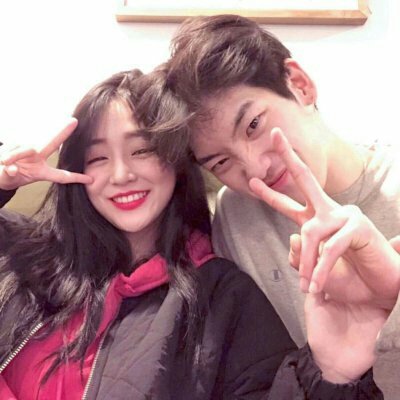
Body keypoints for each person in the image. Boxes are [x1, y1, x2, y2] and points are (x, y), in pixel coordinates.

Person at [0, 69, 385, 399]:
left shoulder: (223, 299)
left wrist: (332, 373)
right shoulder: (28, 254)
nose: (120, 175)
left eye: (142, 150)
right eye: (98, 157)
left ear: (177, 160)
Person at [165, 14, 400, 399]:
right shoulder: (236, 216)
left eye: (253, 125)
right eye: (221, 162)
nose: (255, 168)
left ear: (300, 85)